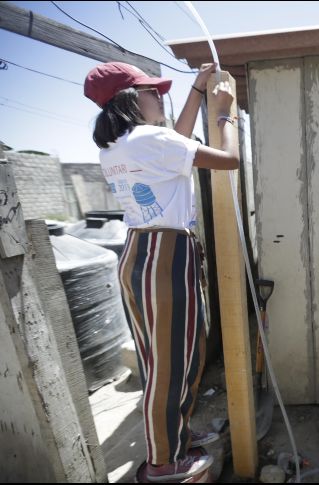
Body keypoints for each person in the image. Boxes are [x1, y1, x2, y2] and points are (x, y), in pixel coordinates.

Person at [84, 61, 239, 481]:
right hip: (166, 256)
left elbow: (176, 141)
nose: (160, 97)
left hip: (139, 252)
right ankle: (164, 463)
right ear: (133, 100)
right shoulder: (148, 141)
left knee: (163, 361)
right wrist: (224, 112)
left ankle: (177, 436)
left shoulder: (118, 146)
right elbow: (229, 160)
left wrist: (195, 90)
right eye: (154, 92)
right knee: (175, 365)